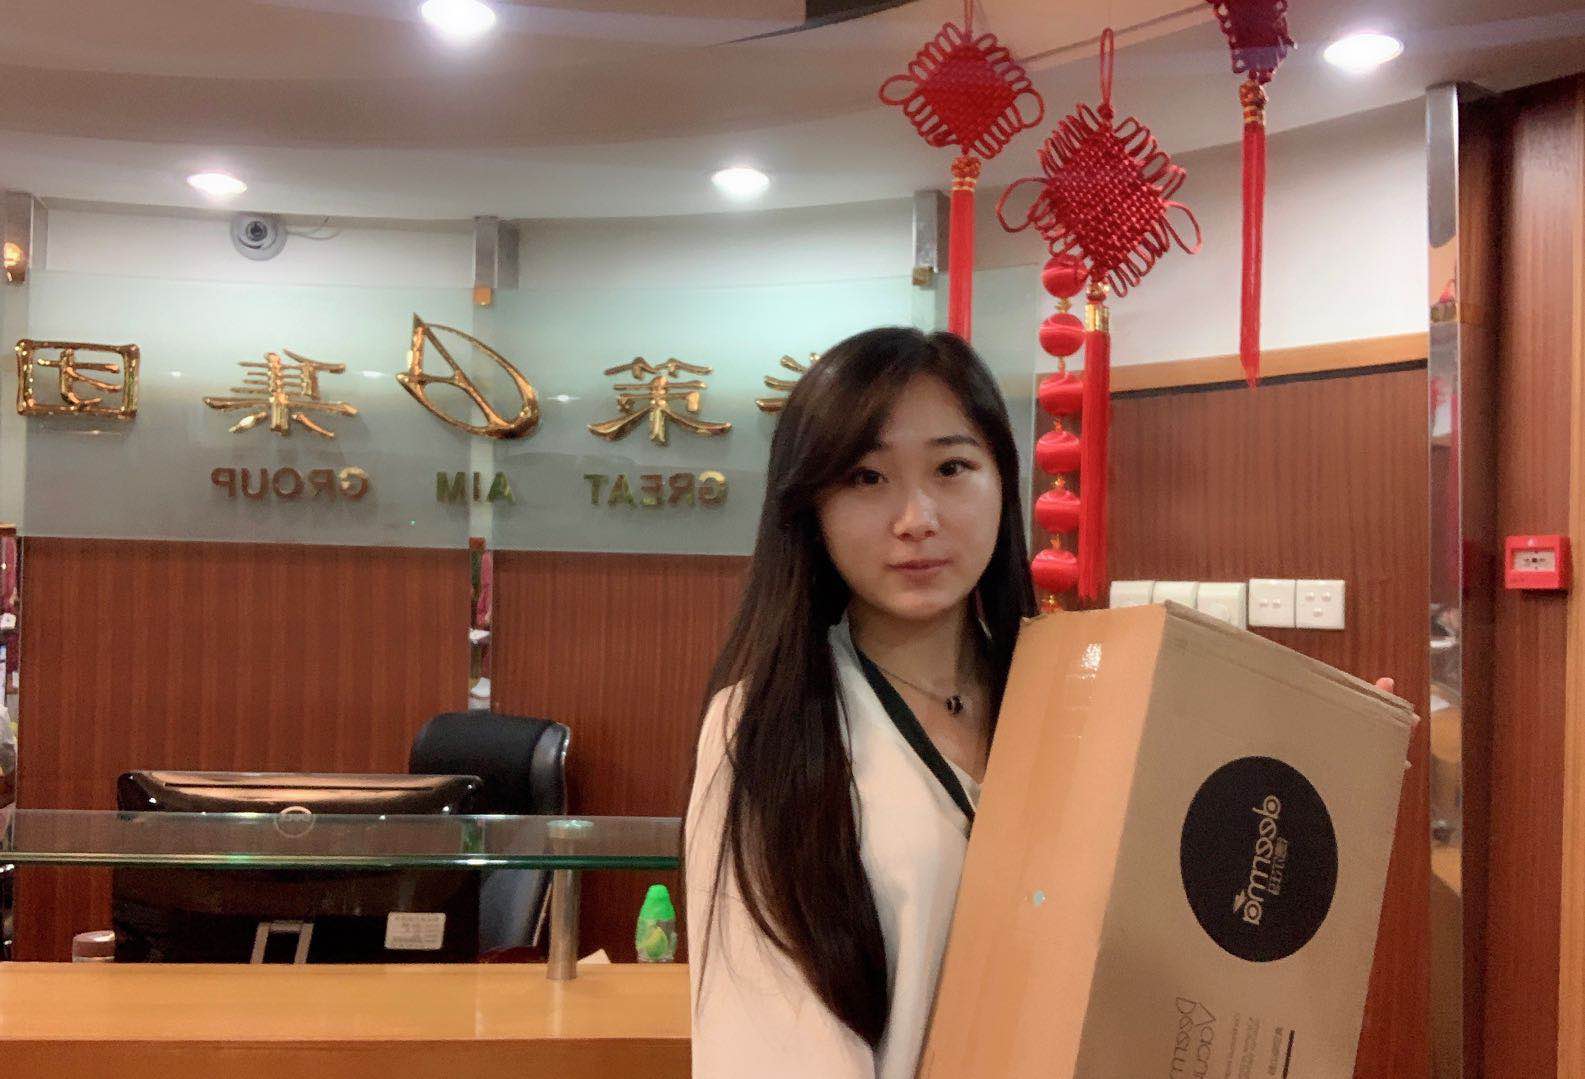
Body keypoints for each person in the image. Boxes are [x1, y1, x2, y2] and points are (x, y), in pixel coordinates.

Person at [683, 326, 1394, 1078]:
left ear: (1003, 481)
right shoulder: (767, 728)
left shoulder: (1089, 694)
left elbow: (1182, 921)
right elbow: (763, 1037)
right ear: (811, 506)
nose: (916, 517)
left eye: (951, 467)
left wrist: (1334, 763)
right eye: (866, 477)